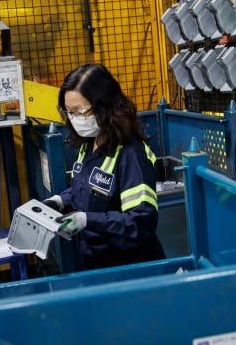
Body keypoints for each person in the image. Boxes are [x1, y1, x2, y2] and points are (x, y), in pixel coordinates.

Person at [43, 63, 165, 270]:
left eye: (81, 111)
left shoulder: (131, 154)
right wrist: (59, 201)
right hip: (96, 263)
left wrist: (87, 221)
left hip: (130, 270)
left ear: (105, 106)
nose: (74, 119)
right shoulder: (88, 144)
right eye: (69, 112)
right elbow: (81, 189)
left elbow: (141, 222)